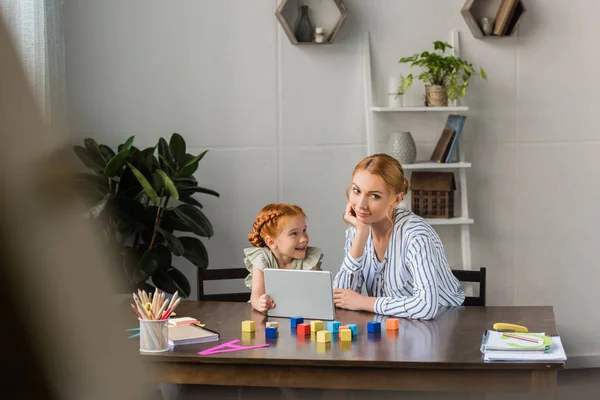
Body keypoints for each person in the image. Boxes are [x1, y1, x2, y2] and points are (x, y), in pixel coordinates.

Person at [333, 154, 465, 320]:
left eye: (374, 196)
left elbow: (426, 306)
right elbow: (341, 299)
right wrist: (360, 235)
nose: (360, 204)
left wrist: (365, 302)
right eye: (356, 191)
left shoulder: (416, 236)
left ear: (396, 199)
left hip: (446, 326)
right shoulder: (357, 231)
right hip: (396, 325)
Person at [244, 203, 323, 314]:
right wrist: (260, 303)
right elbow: (256, 295)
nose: (304, 239)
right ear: (271, 242)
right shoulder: (262, 258)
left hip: (300, 314)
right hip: (267, 317)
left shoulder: (308, 261)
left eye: (304, 231)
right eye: (294, 233)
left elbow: (313, 296)